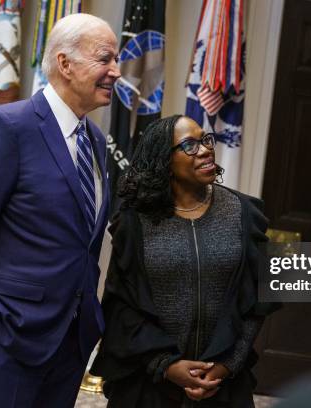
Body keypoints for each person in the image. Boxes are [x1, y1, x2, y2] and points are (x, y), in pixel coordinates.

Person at [0, 13, 120, 408]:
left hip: (70, 345)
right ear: (65, 64)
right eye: (105, 59)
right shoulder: (7, 127)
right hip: (6, 344)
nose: (116, 72)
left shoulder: (96, 141)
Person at [96, 115, 280, 407]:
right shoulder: (135, 222)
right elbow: (121, 309)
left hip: (223, 386)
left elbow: (257, 303)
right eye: (190, 145)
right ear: (164, 161)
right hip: (149, 385)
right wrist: (165, 365)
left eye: (206, 140)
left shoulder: (244, 212)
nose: (206, 149)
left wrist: (226, 365)